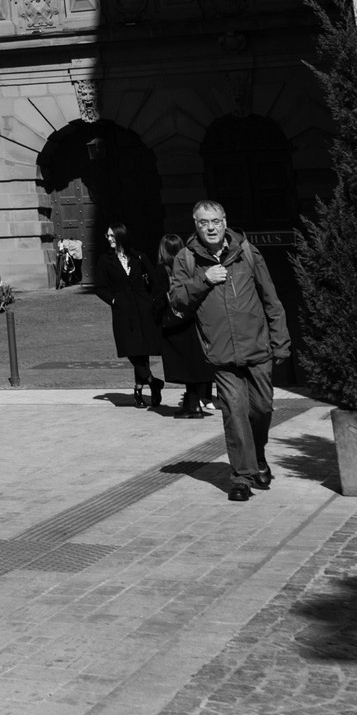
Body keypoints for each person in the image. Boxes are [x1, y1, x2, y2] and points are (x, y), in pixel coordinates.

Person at [168, 200, 290, 501]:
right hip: (221, 353)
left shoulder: (247, 252)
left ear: (225, 222)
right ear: (196, 225)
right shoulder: (186, 258)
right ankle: (241, 477)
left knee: (261, 409)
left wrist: (281, 342)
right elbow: (177, 299)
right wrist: (204, 280)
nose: (211, 228)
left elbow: (271, 299)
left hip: (257, 347)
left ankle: (257, 455)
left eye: (216, 221)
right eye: (204, 222)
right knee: (235, 413)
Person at [156, 232, 216, 418]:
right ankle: (196, 401)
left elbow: (159, 298)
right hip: (192, 319)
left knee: (185, 366)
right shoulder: (190, 265)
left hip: (175, 323)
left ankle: (193, 404)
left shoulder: (163, 270)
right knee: (195, 364)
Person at [107, 224, 166, 410]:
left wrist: (151, 301)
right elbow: (100, 287)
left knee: (141, 351)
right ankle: (153, 382)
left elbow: (155, 279)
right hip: (123, 311)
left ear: (121, 237)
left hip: (143, 308)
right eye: (108, 236)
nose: (109, 239)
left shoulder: (139, 257)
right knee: (130, 348)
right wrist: (113, 300)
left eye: (112, 236)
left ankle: (139, 391)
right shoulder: (106, 259)